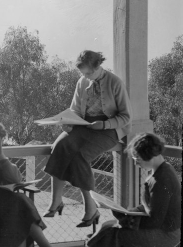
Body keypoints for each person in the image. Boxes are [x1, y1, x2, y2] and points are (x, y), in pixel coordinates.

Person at [43, 50, 132, 228]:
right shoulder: (82, 81)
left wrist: (104, 125)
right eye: (83, 73)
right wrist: (68, 122)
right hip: (84, 126)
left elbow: (126, 117)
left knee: (80, 156)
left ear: (99, 67)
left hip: (109, 129)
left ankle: (91, 209)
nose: (86, 76)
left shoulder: (115, 83)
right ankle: (56, 201)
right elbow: (75, 109)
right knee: (60, 146)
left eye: (90, 73)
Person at [87, 133, 181, 247]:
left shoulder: (162, 179)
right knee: (107, 226)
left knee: (112, 234)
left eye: (138, 159)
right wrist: (129, 213)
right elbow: (154, 206)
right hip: (163, 229)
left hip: (167, 234)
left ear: (149, 154)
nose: (136, 163)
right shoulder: (163, 170)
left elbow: (155, 220)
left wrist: (126, 220)